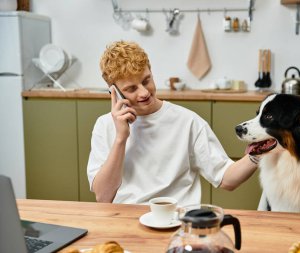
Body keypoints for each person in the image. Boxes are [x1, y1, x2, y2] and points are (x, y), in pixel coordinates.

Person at [87, 40, 258, 206]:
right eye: (131, 89)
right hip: (125, 220)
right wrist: (121, 139)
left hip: (177, 221)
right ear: (114, 92)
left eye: (146, 80)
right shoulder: (104, 126)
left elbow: (226, 179)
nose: (144, 92)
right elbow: (103, 197)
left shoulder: (188, 121)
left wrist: (258, 152)